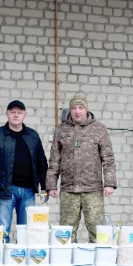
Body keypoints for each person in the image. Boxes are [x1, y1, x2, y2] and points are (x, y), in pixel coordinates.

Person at [46, 93, 117, 243]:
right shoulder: (61, 130)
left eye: (80, 107)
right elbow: (54, 160)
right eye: (74, 108)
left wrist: (110, 183)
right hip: (68, 190)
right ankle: (67, 265)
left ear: (86, 109)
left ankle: (97, 265)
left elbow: (108, 158)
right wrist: (51, 185)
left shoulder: (99, 129)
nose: (77, 111)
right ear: (70, 110)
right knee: (66, 233)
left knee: (97, 231)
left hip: (93, 190)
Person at [0, 100, 48, 243]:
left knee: (26, 233)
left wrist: (45, 188)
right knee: (2, 230)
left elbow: (42, 162)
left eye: (19, 112)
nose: (16, 115)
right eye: (13, 112)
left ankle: (20, 264)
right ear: (7, 114)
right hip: (5, 190)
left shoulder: (33, 135)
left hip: (28, 191)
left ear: (25, 115)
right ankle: (1, 263)